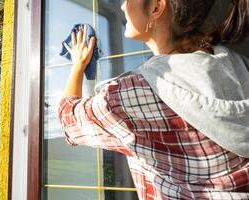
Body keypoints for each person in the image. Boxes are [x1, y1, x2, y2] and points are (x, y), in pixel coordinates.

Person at [58, 0, 249, 199]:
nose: (122, 6)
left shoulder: (135, 93)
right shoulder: (235, 64)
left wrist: (78, 65)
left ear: (156, 7)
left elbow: (69, 119)